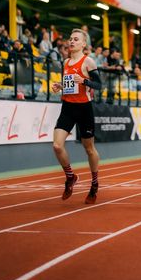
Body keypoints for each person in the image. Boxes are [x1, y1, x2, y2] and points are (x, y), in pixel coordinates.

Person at [51, 28, 102, 204]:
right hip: (67, 107)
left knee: (89, 149)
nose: (71, 41)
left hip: (84, 108)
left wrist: (85, 81)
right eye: (70, 38)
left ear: (83, 44)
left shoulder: (88, 62)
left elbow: (99, 85)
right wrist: (60, 86)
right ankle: (70, 176)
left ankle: (95, 183)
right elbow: (70, 85)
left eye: (76, 39)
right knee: (57, 146)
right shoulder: (65, 62)